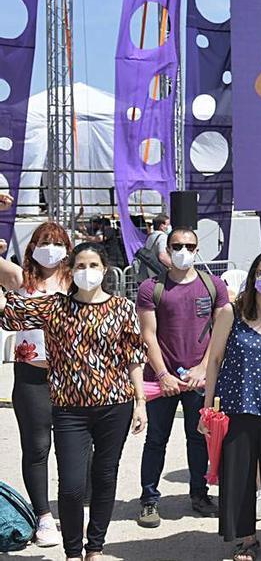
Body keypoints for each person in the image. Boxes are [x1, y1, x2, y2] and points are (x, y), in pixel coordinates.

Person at [0, 242, 148, 561]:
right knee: (70, 486)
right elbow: (10, 315)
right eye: (80, 266)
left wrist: (140, 402)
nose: (87, 272)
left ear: (105, 270)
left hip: (115, 405)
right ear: (71, 271)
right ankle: (72, 552)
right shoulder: (55, 307)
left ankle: (94, 547)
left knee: (105, 477)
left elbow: (135, 355)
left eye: (93, 265)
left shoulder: (122, 307)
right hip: (69, 410)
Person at [202, 252, 261, 561]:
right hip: (238, 404)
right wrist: (207, 409)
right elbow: (214, 361)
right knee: (239, 475)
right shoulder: (231, 313)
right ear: (252, 276)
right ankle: (246, 540)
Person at [136, 227, 233, 527]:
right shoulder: (151, 287)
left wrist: (203, 368)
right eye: (177, 245)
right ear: (167, 248)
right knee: (155, 440)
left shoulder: (214, 285)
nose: (183, 251)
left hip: (198, 380)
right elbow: (147, 336)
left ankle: (199, 494)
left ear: (197, 249)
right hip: (161, 378)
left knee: (199, 438)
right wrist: (163, 374)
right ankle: (149, 500)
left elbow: (220, 333)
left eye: (189, 246)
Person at [0, 219, 72, 547]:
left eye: (57, 243)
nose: (51, 249)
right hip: (32, 376)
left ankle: (73, 508)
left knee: (75, 448)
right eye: (44, 242)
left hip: (73, 376)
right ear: (32, 247)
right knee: (38, 446)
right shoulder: (19, 279)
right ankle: (44, 517)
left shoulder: (77, 281)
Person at [135, 213, 171, 281]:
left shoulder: (150, 236)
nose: (169, 226)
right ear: (162, 226)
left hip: (151, 272)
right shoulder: (163, 237)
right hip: (161, 273)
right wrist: (175, 267)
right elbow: (162, 256)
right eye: (168, 224)